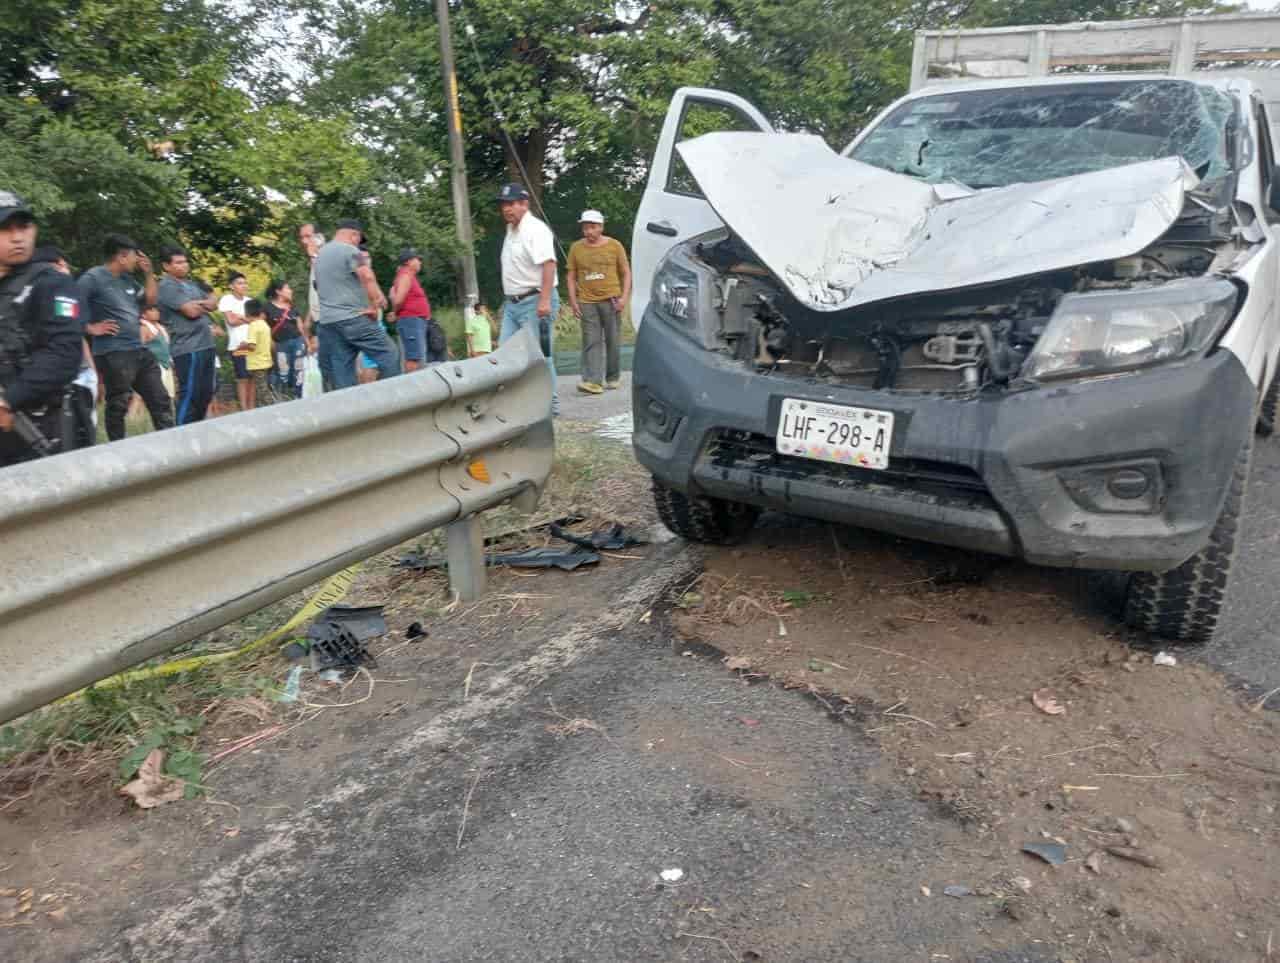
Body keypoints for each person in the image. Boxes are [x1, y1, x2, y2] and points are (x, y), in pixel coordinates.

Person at [0, 193, 85, 466]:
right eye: (5, 229)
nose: (17, 238)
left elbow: (65, 354)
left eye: (23, 227)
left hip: (39, 429)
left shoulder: (51, 284)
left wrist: (7, 401)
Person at [78, 233, 174, 440]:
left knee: (160, 399)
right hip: (113, 352)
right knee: (119, 402)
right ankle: (117, 449)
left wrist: (149, 274)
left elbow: (150, 301)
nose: (136, 260)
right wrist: (90, 328)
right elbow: (69, 306)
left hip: (138, 350)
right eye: (133, 256)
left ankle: (171, 444)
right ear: (121, 256)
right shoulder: (92, 278)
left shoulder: (128, 280)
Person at [313, 218, 400, 390]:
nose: (358, 243)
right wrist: (376, 302)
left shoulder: (321, 255)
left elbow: (318, 286)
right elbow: (366, 275)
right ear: (354, 235)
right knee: (389, 354)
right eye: (359, 239)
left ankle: (350, 410)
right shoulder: (351, 251)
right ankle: (390, 396)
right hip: (354, 318)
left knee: (343, 370)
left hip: (329, 323)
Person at [496, 183, 558, 414]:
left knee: (539, 357)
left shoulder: (535, 229)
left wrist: (544, 300)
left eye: (511, 204)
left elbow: (549, 264)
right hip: (513, 303)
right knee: (504, 353)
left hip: (535, 300)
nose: (506, 209)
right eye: (504, 204)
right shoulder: (511, 229)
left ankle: (549, 407)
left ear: (524, 204)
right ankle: (517, 404)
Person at [31, 245, 96, 450]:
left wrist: (92, 370)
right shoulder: (51, 291)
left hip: (80, 375)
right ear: (59, 264)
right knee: (68, 438)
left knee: (84, 433)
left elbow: (76, 334)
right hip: (61, 380)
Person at [566, 209, 631, 394]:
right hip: (587, 301)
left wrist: (624, 297)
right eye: (586, 227)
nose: (589, 231)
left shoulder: (615, 246)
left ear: (601, 227)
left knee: (613, 340)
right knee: (591, 341)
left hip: (612, 299)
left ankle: (613, 376)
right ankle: (593, 381)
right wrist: (573, 301)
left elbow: (626, 272)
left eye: (593, 227)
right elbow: (570, 276)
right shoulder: (576, 248)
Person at [156, 244, 220, 425]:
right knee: (190, 393)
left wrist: (198, 303)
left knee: (207, 392)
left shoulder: (191, 285)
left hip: (206, 344)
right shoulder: (166, 287)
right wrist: (203, 304)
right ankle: (181, 434)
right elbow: (191, 312)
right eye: (178, 263)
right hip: (187, 348)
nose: (184, 265)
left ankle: (196, 430)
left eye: (185, 262)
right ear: (166, 266)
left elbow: (214, 302)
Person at [389, 248, 440, 371]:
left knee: (417, 357)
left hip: (414, 321)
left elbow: (393, 295)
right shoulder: (406, 276)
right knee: (414, 359)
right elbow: (398, 299)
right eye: (418, 259)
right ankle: (411, 386)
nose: (420, 262)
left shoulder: (407, 276)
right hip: (411, 321)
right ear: (408, 261)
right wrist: (395, 313)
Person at [218, 272, 255, 411]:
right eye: (240, 283)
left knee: (252, 376)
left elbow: (256, 320)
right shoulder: (227, 300)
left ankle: (252, 407)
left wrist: (242, 317)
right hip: (238, 343)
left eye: (245, 283)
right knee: (243, 377)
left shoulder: (249, 301)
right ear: (231, 286)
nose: (243, 286)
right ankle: (244, 409)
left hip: (252, 342)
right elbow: (231, 321)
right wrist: (247, 318)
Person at [265, 280, 305, 399]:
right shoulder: (267, 308)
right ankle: (283, 398)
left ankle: (299, 397)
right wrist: (270, 343)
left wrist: (306, 343)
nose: (290, 291)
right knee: (283, 373)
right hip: (280, 345)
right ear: (278, 291)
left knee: (299, 372)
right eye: (288, 288)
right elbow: (262, 326)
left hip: (298, 342)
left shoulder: (292, 306)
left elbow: (300, 326)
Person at [241, 299, 275, 409]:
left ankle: (273, 409)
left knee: (263, 392)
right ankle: (265, 410)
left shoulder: (253, 326)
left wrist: (242, 346)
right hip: (266, 362)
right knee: (263, 389)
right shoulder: (264, 325)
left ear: (247, 313)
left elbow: (252, 346)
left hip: (257, 364)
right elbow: (271, 345)